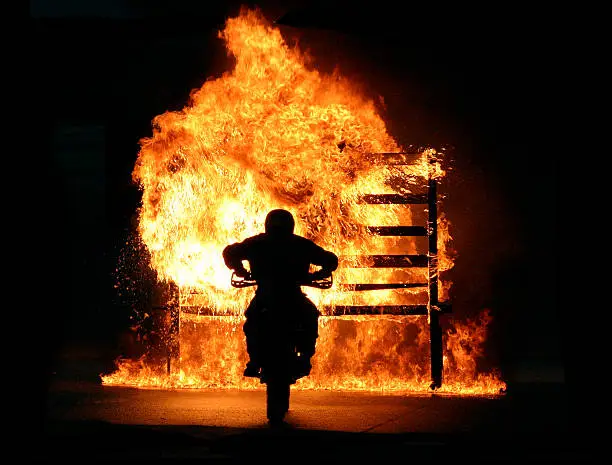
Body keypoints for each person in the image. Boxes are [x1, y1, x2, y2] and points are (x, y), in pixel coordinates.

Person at [223, 208, 338, 380]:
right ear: (291, 226)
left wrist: (239, 270)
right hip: (293, 296)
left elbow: (230, 252)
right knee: (310, 315)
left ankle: (254, 361)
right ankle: (305, 358)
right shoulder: (301, 244)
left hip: (265, 296)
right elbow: (330, 259)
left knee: (252, 320)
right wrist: (320, 273)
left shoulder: (256, 242)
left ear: (267, 225)